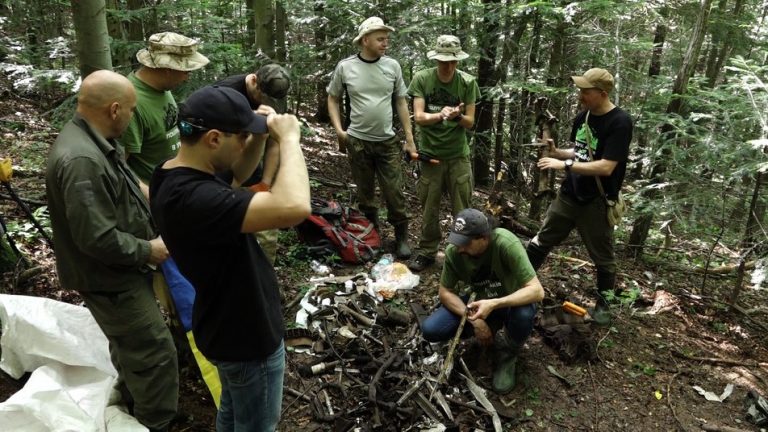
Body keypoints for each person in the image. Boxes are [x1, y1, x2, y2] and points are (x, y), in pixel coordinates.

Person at [149, 86, 310, 431]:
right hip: (247, 337)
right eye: (239, 137)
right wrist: (290, 141)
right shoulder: (196, 199)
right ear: (212, 138)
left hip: (223, 326)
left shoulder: (170, 174)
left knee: (233, 413)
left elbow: (235, 174)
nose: (243, 144)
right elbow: (294, 206)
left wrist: (256, 137)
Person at [46, 70, 178, 432]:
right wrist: (147, 250)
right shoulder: (82, 160)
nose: (134, 117)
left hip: (117, 270)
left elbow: (124, 187)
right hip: (109, 276)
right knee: (154, 351)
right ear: (115, 109)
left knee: (130, 345)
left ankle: (135, 405)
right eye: (133, 111)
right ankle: (154, 422)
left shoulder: (95, 140)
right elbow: (95, 237)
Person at [526, 67, 633, 326]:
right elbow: (581, 151)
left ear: (602, 93)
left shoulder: (620, 122)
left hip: (596, 201)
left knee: (603, 258)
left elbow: (607, 166)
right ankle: (521, 285)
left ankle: (604, 306)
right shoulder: (582, 117)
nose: (581, 95)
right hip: (569, 195)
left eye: (586, 91)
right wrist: (558, 152)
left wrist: (563, 166)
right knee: (541, 241)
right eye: (580, 89)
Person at [421, 208, 544, 394]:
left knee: (524, 314)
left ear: (484, 238)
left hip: (510, 300)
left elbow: (537, 291)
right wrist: (474, 319)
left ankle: (508, 354)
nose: (460, 248)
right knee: (431, 329)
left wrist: (495, 303)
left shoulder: (505, 243)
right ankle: (489, 325)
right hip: (479, 303)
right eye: (457, 241)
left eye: (466, 243)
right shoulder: (455, 252)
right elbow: (445, 292)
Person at [327, 16, 416, 259]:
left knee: (394, 193)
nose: (385, 43)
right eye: (380, 38)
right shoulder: (346, 67)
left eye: (387, 38)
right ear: (365, 40)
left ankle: (401, 239)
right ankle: (372, 236)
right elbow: (332, 98)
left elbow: (400, 101)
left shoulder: (392, 66)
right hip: (358, 141)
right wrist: (338, 130)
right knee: (365, 195)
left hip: (387, 142)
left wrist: (409, 139)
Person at [407, 34, 480, 272]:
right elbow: (419, 118)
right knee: (430, 206)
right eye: (443, 61)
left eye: (452, 61)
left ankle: (462, 252)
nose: (448, 66)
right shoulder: (422, 79)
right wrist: (441, 114)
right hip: (431, 156)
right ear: (435, 59)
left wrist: (457, 116)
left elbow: (470, 122)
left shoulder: (467, 82)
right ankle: (427, 250)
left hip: (458, 156)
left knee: (463, 208)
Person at [215, 64, 292, 264]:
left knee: (266, 234)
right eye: (262, 97)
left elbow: (274, 141)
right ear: (253, 81)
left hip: (254, 172)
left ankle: (265, 278)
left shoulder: (275, 94)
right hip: (224, 175)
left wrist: (265, 182)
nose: (263, 103)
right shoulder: (226, 94)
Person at [121, 31, 209, 196]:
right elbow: (118, 164)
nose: (187, 77)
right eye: (185, 71)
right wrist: (150, 197)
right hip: (157, 199)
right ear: (168, 69)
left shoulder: (161, 87)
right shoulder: (132, 102)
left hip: (176, 187)